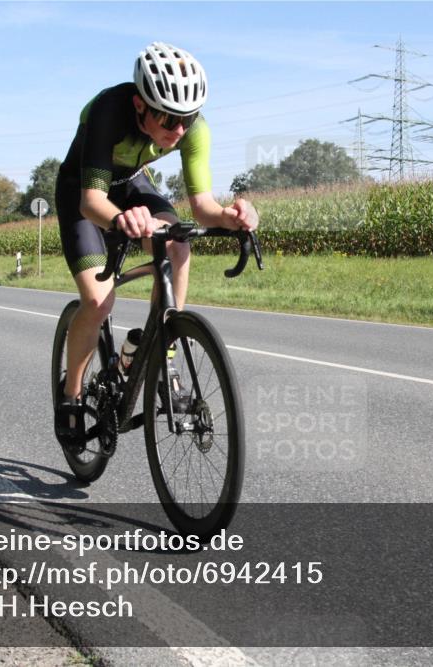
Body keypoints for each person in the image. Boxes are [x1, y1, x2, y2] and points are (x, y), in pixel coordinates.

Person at [54, 42, 259, 447]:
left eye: (188, 117)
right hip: (83, 193)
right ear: (140, 105)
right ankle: (71, 395)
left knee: (178, 244)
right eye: (168, 117)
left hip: (132, 186)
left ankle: (159, 356)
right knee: (98, 301)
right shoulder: (109, 110)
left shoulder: (194, 131)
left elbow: (202, 207)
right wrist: (121, 220)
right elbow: (92, 202)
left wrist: (230, 216)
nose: (179, 130)